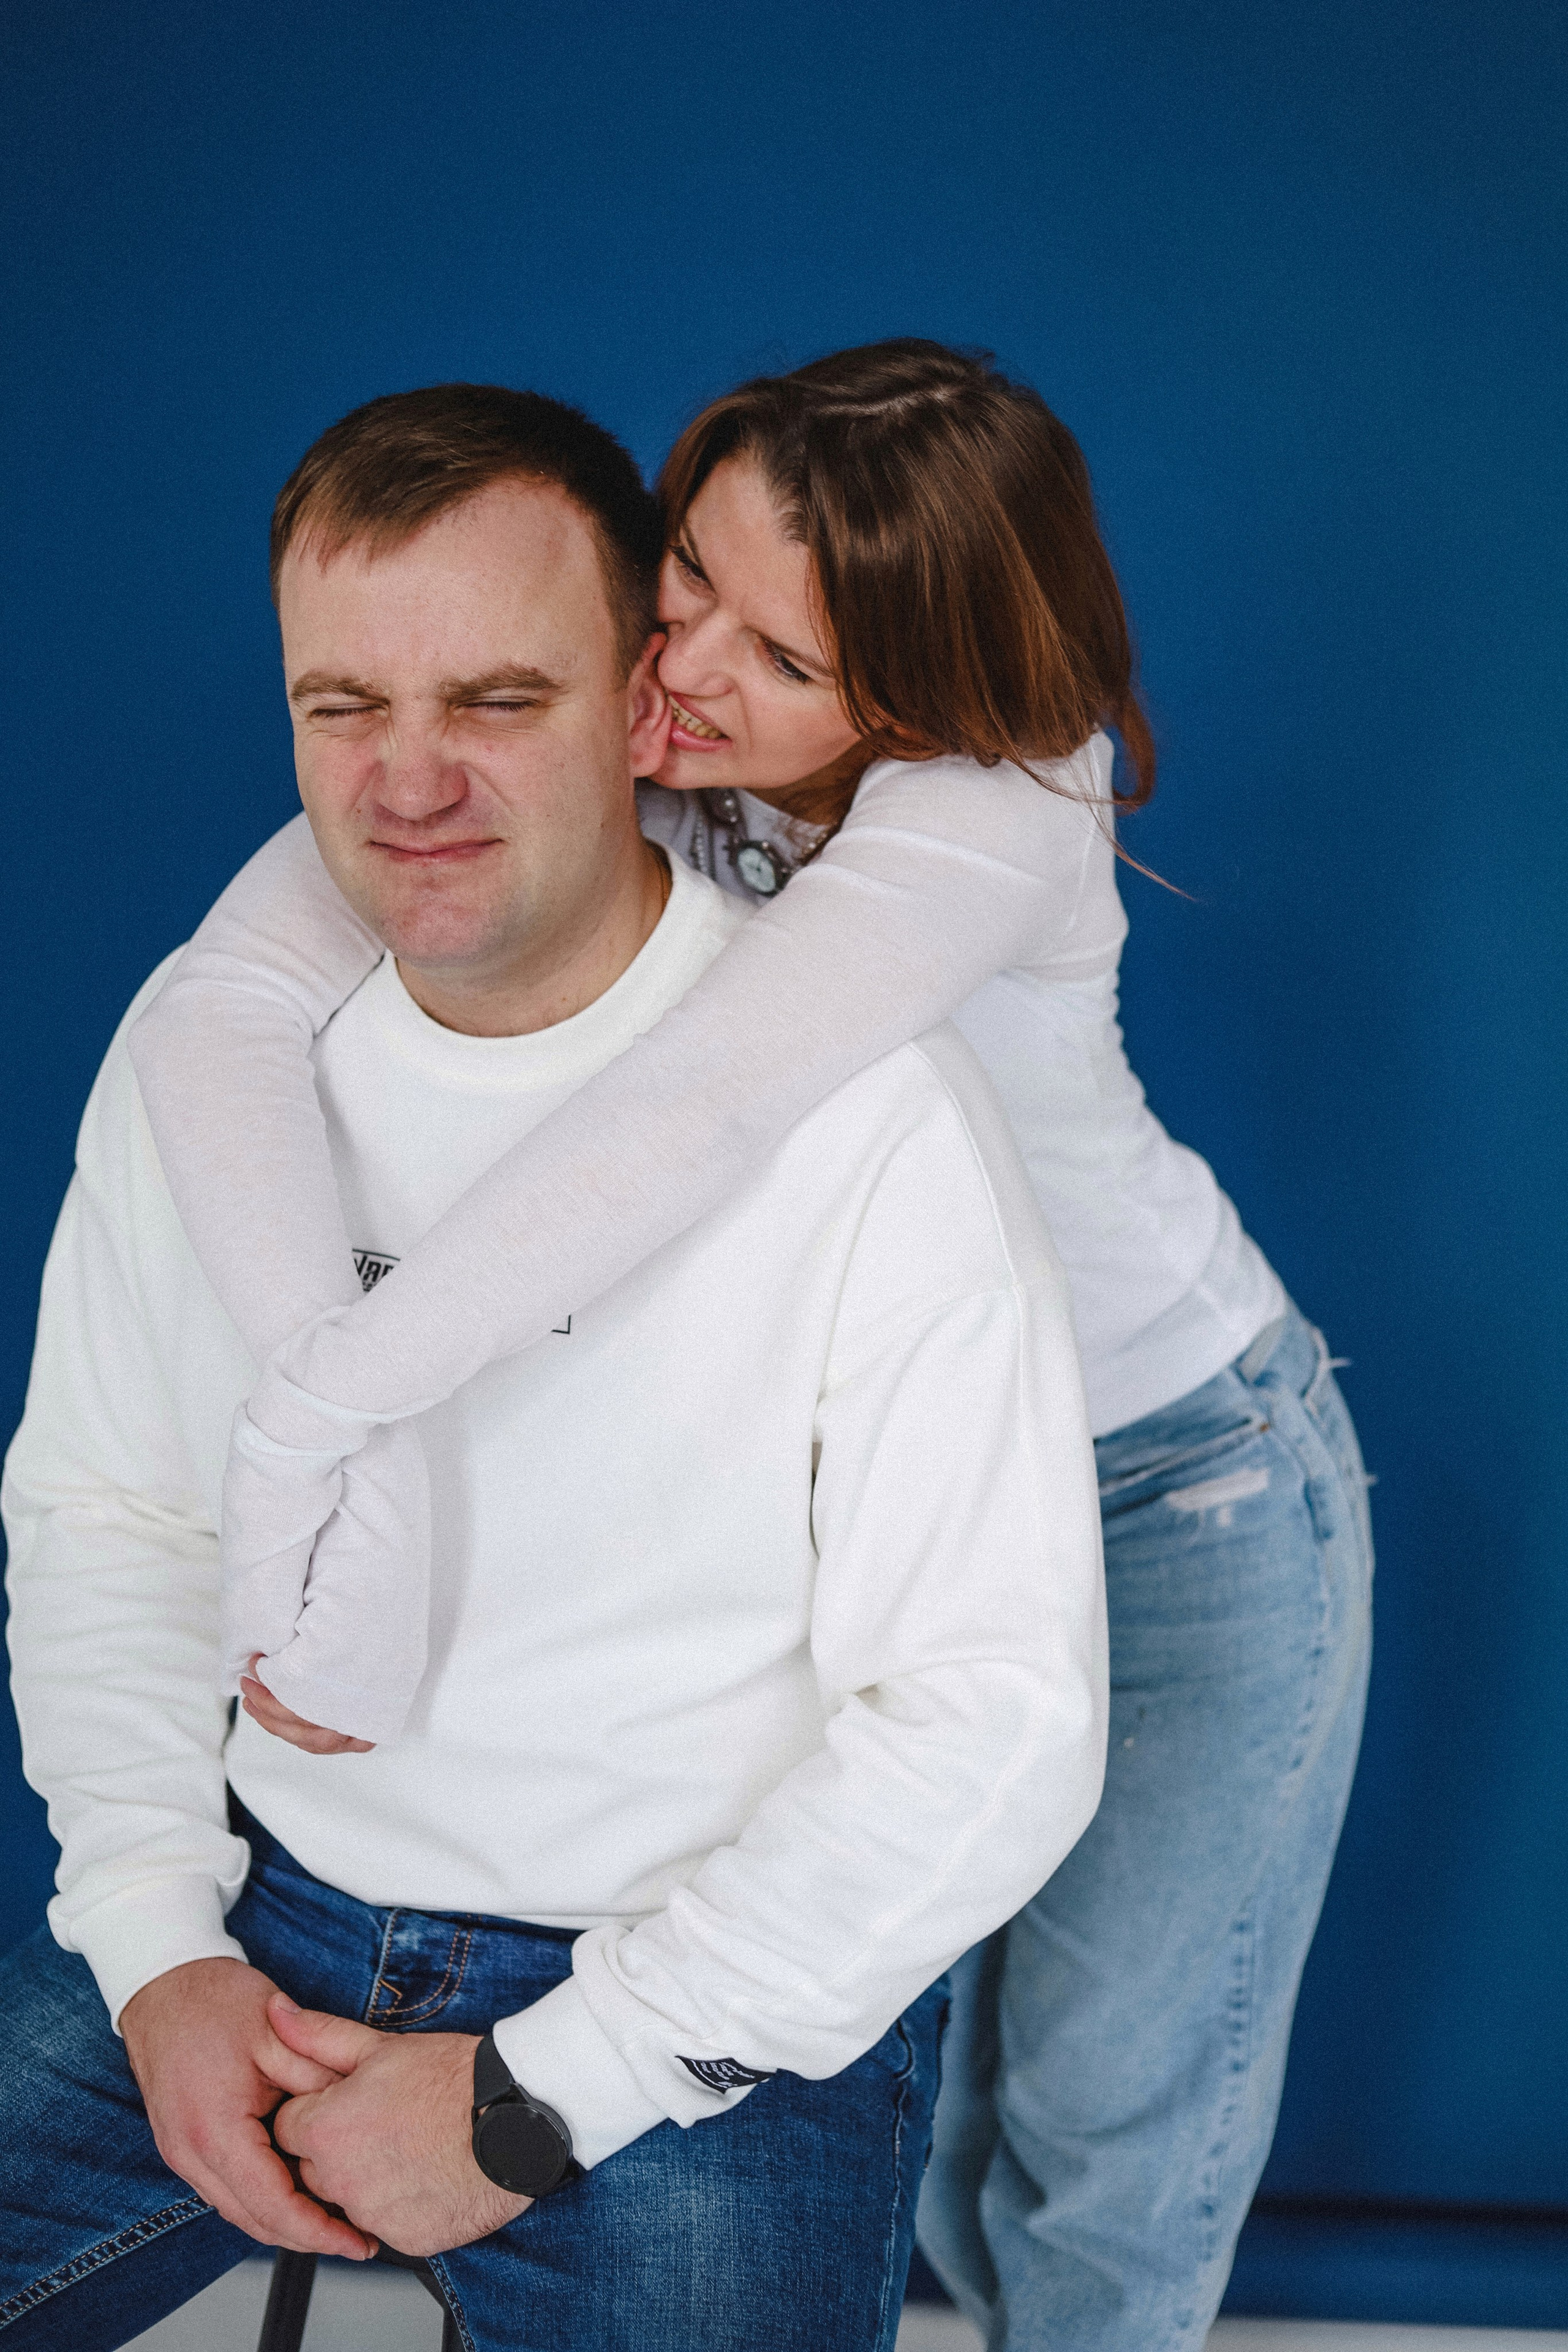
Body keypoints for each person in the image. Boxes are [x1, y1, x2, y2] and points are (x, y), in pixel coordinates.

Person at [122, 339, 1375, 2350]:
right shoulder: (653, 720)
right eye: (687, 574)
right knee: (921, 2086)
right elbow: (220, 1006)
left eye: (782, 660)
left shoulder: (996, 801)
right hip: (892, 1486)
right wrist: (317, 1389)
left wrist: (321, 1419)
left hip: (1166, 1485)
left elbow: (692, 1111)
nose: (685, 667)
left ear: (919, 692)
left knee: (1098, 2139)